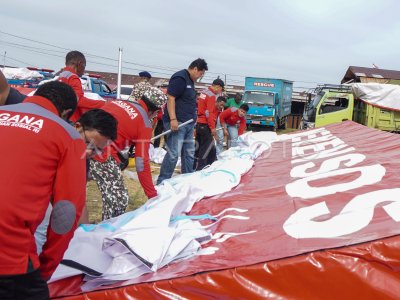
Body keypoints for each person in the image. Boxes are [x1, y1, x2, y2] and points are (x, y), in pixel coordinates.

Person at [0, 81, 86, 299]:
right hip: (9, 255)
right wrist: (46, 267)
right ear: (66, 113)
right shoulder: (67, 135)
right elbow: (66, 212)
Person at [34, 108, 118, 253]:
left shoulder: (82, 159)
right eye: (87, 143)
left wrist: (85, 234)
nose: (89, 152)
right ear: (77, 126)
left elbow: (78, 199)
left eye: (97, 150)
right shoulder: (52, 144)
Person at [90, 86, 167, 220]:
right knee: (119, 199)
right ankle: (106, 231)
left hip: (81, 144)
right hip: (100, 153)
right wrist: (152, 194)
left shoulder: (118, 102)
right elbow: (141, 163)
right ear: (155, 111)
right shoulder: (144, 124)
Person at [157, 58, 208, 184]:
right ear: (195, 69)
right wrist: (173, 119)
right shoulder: (180, 78)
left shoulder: (190, 80)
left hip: (188, 123)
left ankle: (188, 180)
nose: (200, 77)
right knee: (173, 154)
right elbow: (170, 98)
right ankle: (162, 182)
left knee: (189, 153)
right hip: (178, 123)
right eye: (201, 74)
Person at [58, 50, 105, 123]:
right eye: (84, 66)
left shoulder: (62, 75)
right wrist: (103, 104)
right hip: (71, 119)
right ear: (80, 63)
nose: (84, 70)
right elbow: (78, 100)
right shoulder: (73, 77)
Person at [194, 79, 225, 170]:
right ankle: (200, 169)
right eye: (221, 90)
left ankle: (194, 166)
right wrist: (212, 128)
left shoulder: (203, 92)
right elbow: (209, 113)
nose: (220, 92)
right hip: (205, 124)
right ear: (217, 86)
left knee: (198, 147)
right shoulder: (211, 96)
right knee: (205, 150)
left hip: (199, 123)